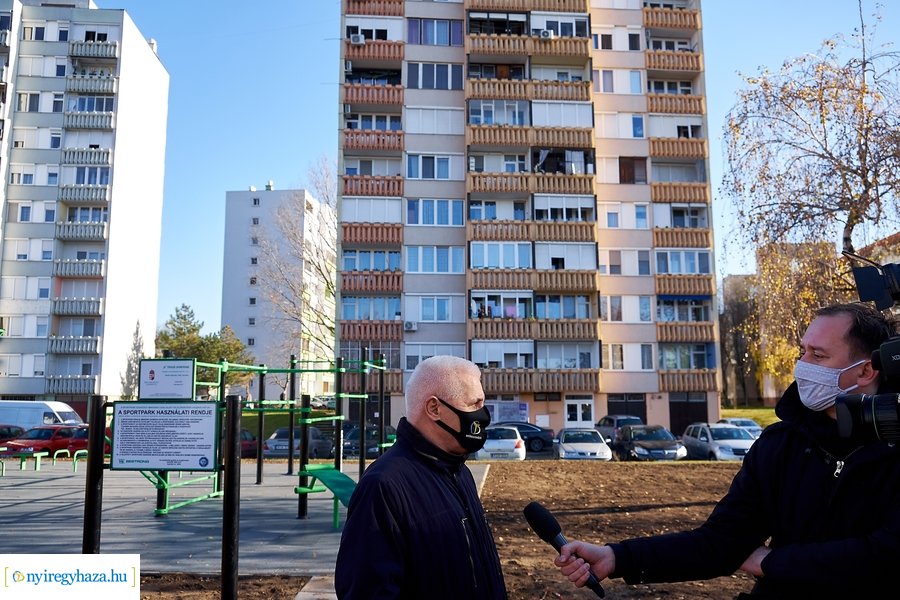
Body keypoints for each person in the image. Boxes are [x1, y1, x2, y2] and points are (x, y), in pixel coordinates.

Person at [554, 302, 900, 598]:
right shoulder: (779, 443)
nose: (802, 366)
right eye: (802, 352)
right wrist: (617, 557)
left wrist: (768, 562)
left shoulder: (893, 449)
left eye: (818, 355)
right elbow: (721, 542)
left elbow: (884, 555)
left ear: (866, 370)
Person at [334, 355, 508, 599]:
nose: (483, 415)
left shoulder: (460, 472)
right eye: (474, 404)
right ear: (435, 408)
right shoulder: (384, 487)